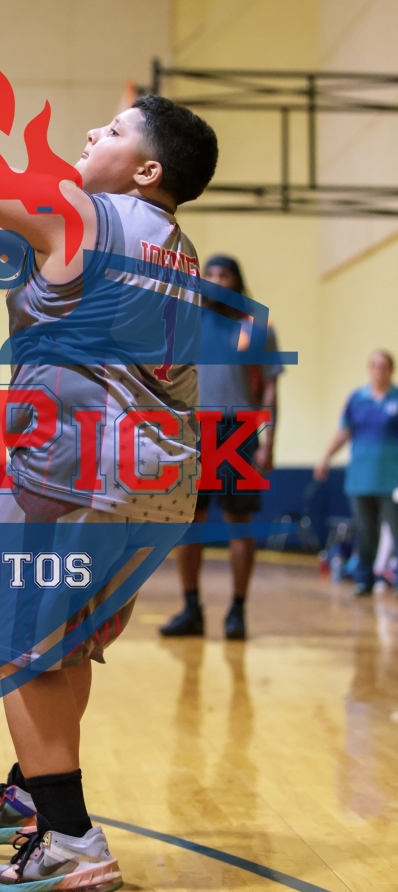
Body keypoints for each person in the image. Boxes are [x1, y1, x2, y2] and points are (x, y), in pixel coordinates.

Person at [0, 77, 217, 892]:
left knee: (21, 651)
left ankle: (69, 839)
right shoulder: (173, 245)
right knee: (68, 646)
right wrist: (1, 224)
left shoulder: (89, 216)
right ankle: (36, 792)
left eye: (115, 129)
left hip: (75, 471)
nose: (93, 133)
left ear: (148, 171)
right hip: (160, 482)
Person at [159, 255, 283, 641]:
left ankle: (237, 611)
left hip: (239, 432)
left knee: (239, 524)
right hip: (192, 431)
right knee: (187, 525)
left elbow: (271, 388)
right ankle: (191, 608)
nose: (215, 280)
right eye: (209, 274)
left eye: (223, 275)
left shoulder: (257, 327)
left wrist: (269, 442)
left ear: (236, 282)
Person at [315, 350, 398, 596]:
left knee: (396, 529)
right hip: (361, 479)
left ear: (391, 370)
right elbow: (344, 432)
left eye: (383, 366)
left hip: (391, 479)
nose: (379, 371)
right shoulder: (357, 399)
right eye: (375, 366)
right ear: (370, 369)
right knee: (366, 532)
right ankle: (364, 578)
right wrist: (326, 457)